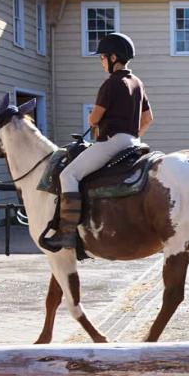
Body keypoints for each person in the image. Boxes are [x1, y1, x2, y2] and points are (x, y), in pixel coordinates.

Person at [43, 33, 154, 250]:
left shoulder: (111, 83)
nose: (101, 61)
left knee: (68, 174)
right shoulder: (137, 82)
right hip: (134, 142)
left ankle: (66, 232)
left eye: (102, 57)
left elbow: (94, 118)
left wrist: (92, 118)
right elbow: (148, 118)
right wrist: (133, 135)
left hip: (112, 143)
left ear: (113, 57)